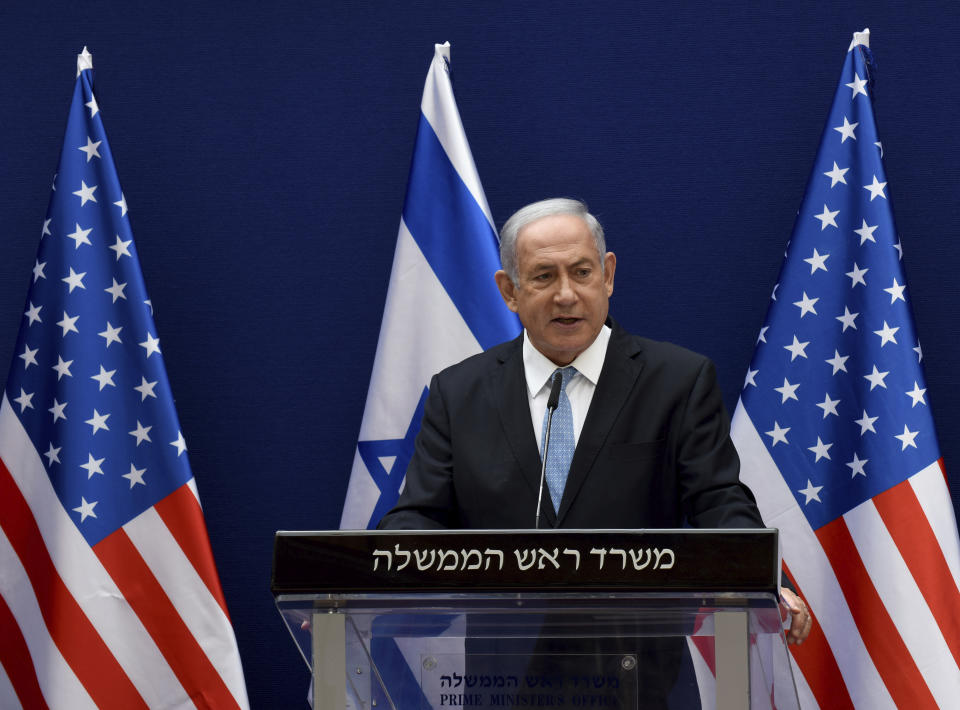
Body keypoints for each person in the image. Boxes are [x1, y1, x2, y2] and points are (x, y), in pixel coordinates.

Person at [377, 198, 810, 703]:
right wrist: (362, 577)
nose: (566, 295)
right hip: (503, 685)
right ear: (509, 291)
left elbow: (720, 502)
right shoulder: (459, 392)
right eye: (543, 277)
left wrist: (762, 579)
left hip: (640, 681)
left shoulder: (676, 380)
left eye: (581, 272)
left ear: (607, 275)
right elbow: (419, 519)